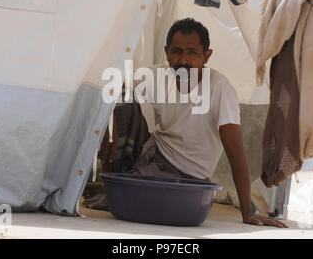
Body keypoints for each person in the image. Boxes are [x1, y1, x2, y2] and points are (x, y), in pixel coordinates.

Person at [84, 18, 288, 228]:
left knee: (141, 200)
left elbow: (235, 154)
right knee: (120, 105)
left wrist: (248, 213)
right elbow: (112, 87)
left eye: (192, 52)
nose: (183, 59)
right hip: (150, 154)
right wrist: (108, 124)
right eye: (177, 51)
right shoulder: (157, 75)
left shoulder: (219, 89)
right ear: (166, 52)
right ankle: (113, 185)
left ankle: (113, 191)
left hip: (187, 176)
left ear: (206, 56)